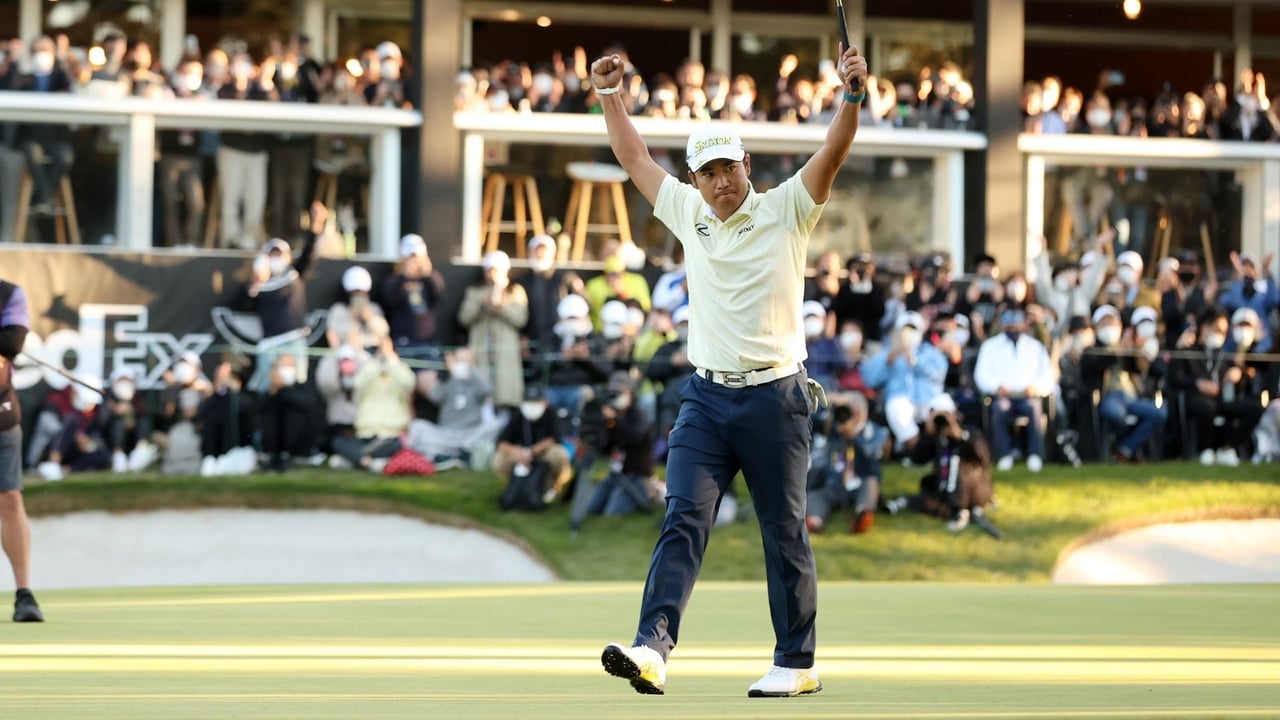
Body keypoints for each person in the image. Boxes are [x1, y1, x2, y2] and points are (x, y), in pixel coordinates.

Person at [591, 42, 868, 697]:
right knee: (683, 515)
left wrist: (853, 95)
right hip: (706, 399)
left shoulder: (787, 207)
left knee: (784, 530)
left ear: (747, 165)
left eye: (728, 168)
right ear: (695, 179)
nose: (720, 182)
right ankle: (651, 650)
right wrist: (609, 95)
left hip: (777, 397)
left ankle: (796, 664)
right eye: (708, 172)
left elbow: (833, 151)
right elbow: (634, 158)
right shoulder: (688, 212)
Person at [0, 279, 43, 621]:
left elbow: (12, 342)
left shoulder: (9, 293)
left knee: (11, 499)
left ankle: (24, 594)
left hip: (1, 414)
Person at [804, 395, 889, 535]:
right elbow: (806, 420)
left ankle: (862, 516)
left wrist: (854, 436)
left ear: (861, 411)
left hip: (860, 483)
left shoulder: (876, 431)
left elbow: (871, 456)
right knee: (815, 495)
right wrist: (827, 404)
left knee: (871, 483)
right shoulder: (831, 427)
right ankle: (815, 520)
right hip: (834, 484)